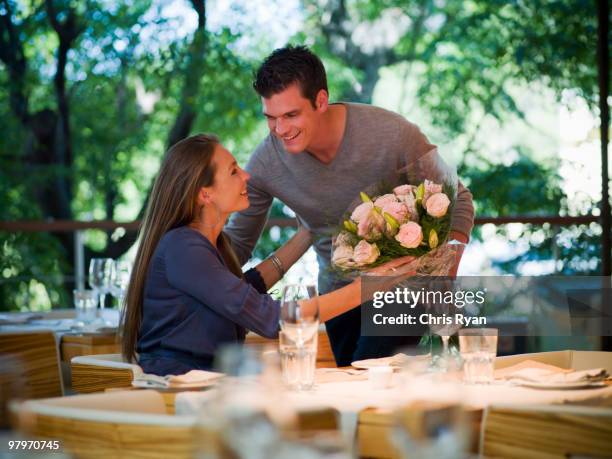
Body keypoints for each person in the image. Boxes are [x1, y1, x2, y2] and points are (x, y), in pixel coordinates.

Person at [225, 45, 475, 366]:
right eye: (271, 118)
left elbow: (459, 200)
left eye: (291, 115)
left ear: (321, 101)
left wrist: (445, 268)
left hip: (402, 288)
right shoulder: (265, 162)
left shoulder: (393, 134)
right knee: (356, 398)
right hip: (337, 297)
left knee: (370, 375)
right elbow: (236, 245)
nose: (280, 130)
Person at [120, 134, 365, 376]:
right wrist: (366, 288)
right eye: (234, 171)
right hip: (178, 389)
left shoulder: (204, 244)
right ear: (205, 194)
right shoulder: (183, 248)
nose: (246, 176)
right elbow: (271, 319)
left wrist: (309, 232)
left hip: (207, 384)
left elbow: (242, 290)